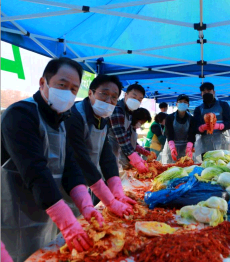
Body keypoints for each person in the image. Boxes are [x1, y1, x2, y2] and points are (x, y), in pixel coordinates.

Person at [1, 58, 93, 261]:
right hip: (15, 215)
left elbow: (70, 165)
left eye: (74, 89)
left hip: (47, 213)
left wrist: (86, 205)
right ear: (43, 83)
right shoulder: (20, 115)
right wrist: (68, 223)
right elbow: (36, 171)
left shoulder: (61, 119)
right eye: (62, 85)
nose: (68, 93)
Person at [65, 75, 137, 211]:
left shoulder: (103, 118)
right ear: (90, 93)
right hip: (67, 183)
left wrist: (117, 191)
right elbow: (81, 159)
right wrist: (110, 201)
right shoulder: (74, 116)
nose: (109, 101)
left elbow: (106, 156)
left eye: (114, 97)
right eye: (104, 94)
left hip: (85, 182)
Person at [108, 84, 149, 173]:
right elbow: (121, 137)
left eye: (139, 99)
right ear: (125, 95)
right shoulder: (117, 109)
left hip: (116, 154)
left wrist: (139, 151)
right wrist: (135, 158)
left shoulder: (129, 113)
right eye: (134, 96)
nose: (136, 101)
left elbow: (127, 137)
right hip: (108, 153)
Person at [193, 82, 230, 157]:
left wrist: (220, 126)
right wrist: (201, 128)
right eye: (204, 92)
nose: (207, 93)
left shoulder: (223, 105)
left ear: (214, 92)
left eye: (209, 91)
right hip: (206, 144)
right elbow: (195, 127)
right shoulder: (198, 109)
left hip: (222, 142)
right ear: (201, 94)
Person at [164, 94, 196, 163]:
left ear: (188, 105)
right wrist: (172, 148)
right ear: (176, 104)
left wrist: (189, 147)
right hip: (173, 146)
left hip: (186, 147)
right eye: (180, 101)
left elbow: (192, 134)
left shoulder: (192, 119)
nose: (182, 103)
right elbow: (169, 133)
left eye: (185, 102)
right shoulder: (170, 118)